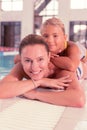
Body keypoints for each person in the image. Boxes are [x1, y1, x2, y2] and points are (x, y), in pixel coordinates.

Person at [7, 34, 86, 107]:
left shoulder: (62, 70)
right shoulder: (26, 66)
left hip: (80, 63)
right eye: (28, 60)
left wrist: (36, 94)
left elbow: (78, 99)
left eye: (40, 59)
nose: (34, 67)